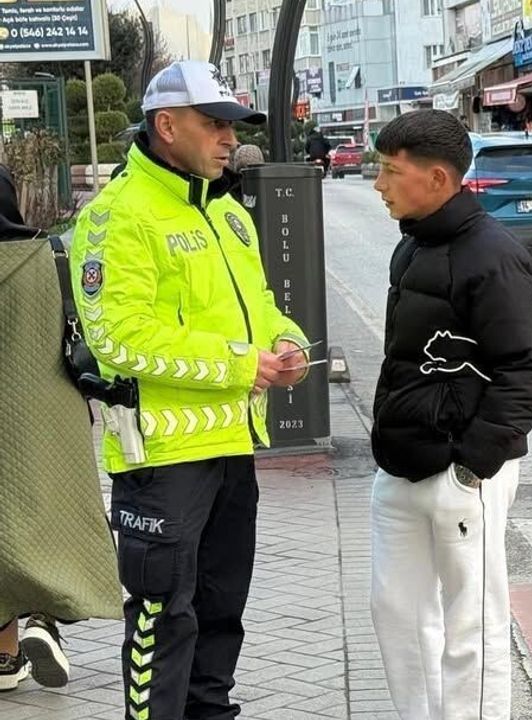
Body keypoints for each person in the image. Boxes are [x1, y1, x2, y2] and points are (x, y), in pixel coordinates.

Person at [68, 60, 312, 720]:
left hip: (231, 447)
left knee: (220, 617)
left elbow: (260, 307)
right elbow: (119, 336)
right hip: (161, 463)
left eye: (232, 125)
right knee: (161, 626)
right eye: (214, 124)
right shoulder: (116, 217)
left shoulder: (228, 213)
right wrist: (240, 364)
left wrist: (290, 345)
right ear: (166, 125)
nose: (229, 138)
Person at [367, 109, 532, 720]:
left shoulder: (493, 256)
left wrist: (472, 466)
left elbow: (526, 370)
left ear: (439, 178)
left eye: (391, 171)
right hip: (400, 466)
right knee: (396, 614)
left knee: (470, 625)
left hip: (461, 472)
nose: (379, 183)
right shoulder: (411, 245)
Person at [0, 163, 121, 692]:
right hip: (50, 409)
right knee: (54, 517)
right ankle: (46, 621)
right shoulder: (48, 255)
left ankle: (5, 656)